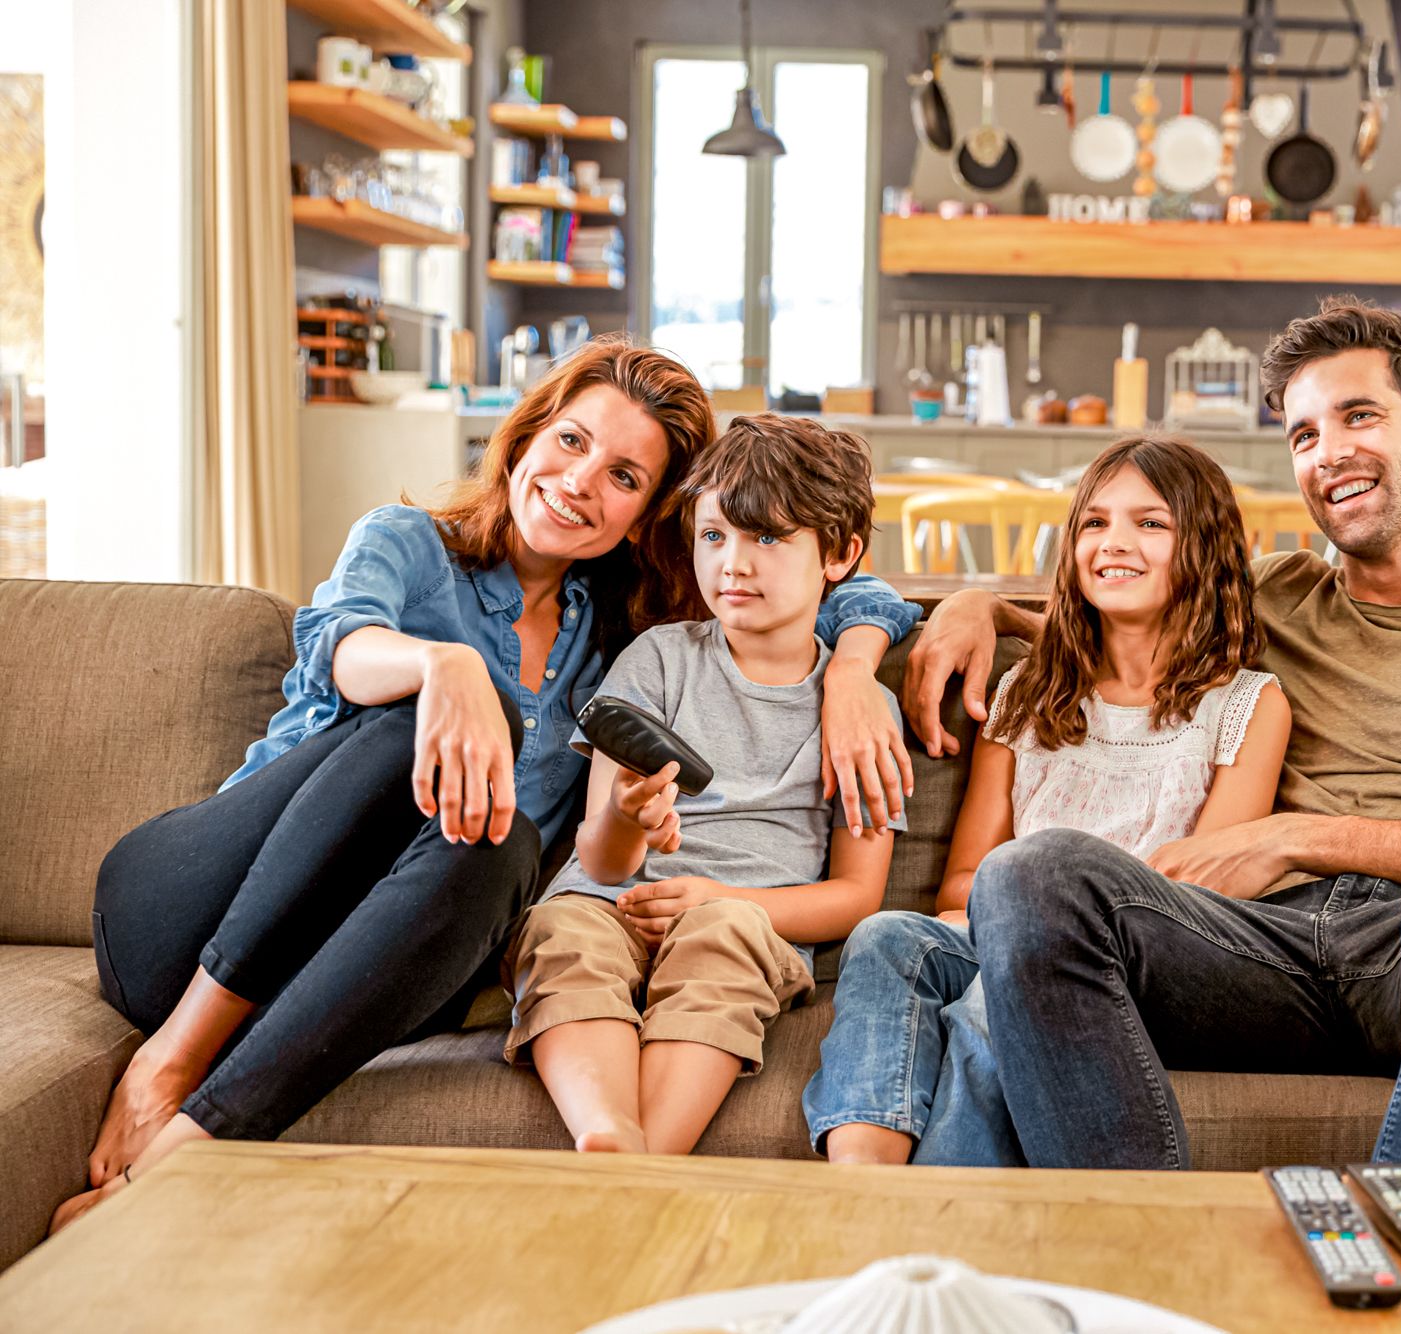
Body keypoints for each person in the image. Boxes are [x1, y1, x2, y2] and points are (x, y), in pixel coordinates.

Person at [57, 342, 918, 1232]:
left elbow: (822, 569)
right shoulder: (408, 544)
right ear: (526, 433)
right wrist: (445, 666)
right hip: (196, 915)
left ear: (648, 514)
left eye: (623, 475)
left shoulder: (624, 624)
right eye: (572, 440)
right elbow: (341, 649)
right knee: (430, 725)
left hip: (362, 977)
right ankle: (174, 1059)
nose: (581, 481)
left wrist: (855, 668)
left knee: (504, 841)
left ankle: (192, 1147)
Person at [902, 296, 1401, 1179]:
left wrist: (1295, 836)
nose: (1329, 452)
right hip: (1261, 950)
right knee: (1032, 871)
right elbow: (1113, 606)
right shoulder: (1271, 594)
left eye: (1358, 416)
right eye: (1302, 435)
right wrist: (973, 607)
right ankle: (1141, 1266)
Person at [802, 436, 1290, 1166]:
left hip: (1142, 963)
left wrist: (1043, 920)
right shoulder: (1025, 696)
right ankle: (863, 1184)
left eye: (1149, 524)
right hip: (995, 930)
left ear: (1207, 548)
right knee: (886, 938)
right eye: (1094, 523)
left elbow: (1205, 890)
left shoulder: (1247, 704)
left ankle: (947, 1216)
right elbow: (961, 885)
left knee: (1000, 992)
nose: (1113, 542)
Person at [505, 414, 905, 1155]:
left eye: (769, 538)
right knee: (562, 930)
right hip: (613, 900)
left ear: (841, 554)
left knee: (723, 938)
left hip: (745, 920)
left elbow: (858, 896)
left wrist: (721, 898)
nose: (733, 565)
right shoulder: (658, 660)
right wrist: (626, 815)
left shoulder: (863, 714)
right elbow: (600, 862)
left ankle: (644, 1158)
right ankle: (608, 1133)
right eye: (715, 536)